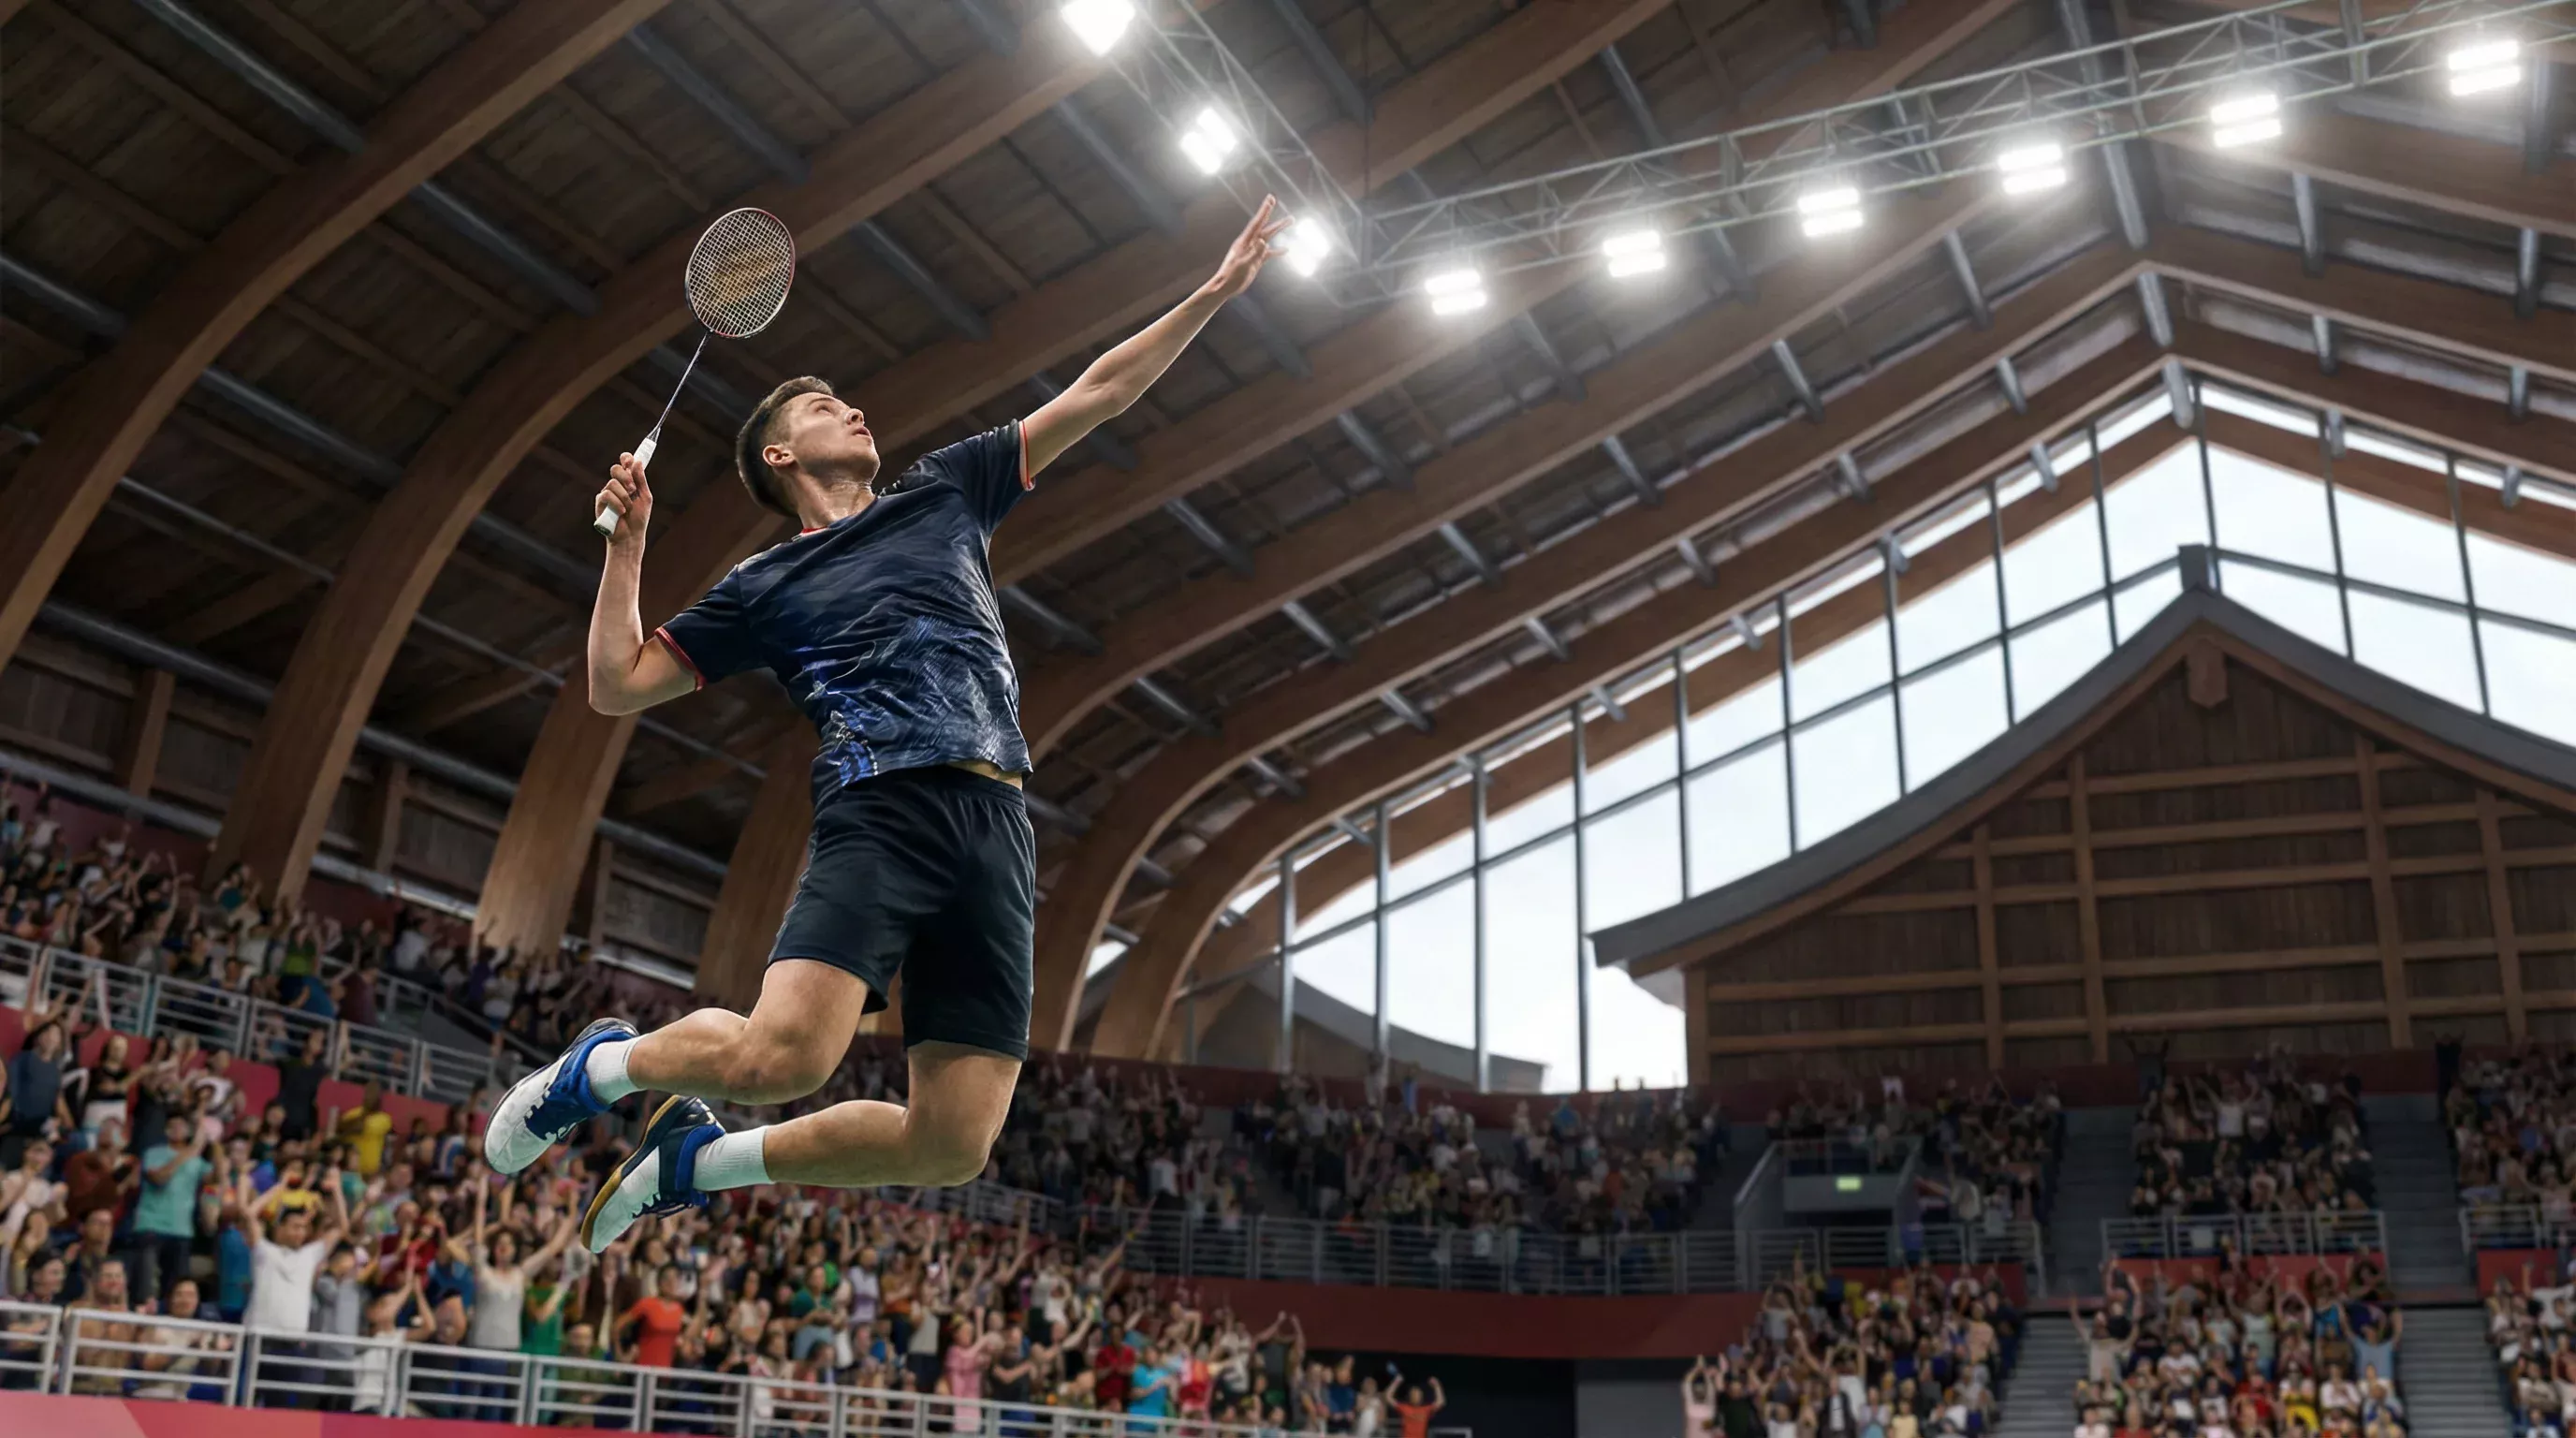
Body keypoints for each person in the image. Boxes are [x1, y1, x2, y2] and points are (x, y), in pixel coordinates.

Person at [481, 196, 1295, 1248]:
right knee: (786, 1059)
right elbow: (618, 685)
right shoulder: (763, 583)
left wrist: (1213, 293)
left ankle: (700, 1161)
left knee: (952, 1143)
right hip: (882, 805)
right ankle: (597, 1070)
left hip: (997, 820)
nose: (852, 411)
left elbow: (1099, 392)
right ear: (779, 458)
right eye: (822, 408)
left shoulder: (945, 491)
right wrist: (626, 550)